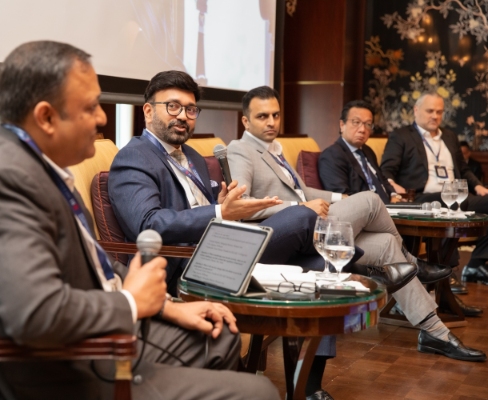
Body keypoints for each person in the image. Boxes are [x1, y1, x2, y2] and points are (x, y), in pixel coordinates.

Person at [0, 41, 281, 400]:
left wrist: (166, 306)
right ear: (46, 117)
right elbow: (35, 315)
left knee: (219, 333)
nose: (103, 118)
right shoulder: (2, 182)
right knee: (259, 392)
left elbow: (92, 263)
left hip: (94, 336)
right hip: (71, 368)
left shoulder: (33, 166)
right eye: (90, 107)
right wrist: (132, 303)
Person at [109, 71, 369, 400]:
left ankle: (309, 387)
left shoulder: (192, 157)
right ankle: (360, 263)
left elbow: (203, 209)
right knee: (303, 215)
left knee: (323, 267)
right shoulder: (134, 157)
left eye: (190, 109)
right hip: (191, 266)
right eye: (173, 106)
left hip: (222, 248)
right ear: (148, 111)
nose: (183, 116)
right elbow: (149, 223)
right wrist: (220, 212)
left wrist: (220, 205)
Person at [226, 86, 485, 364]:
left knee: (386, 243)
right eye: (263, 116)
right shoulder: (241, 149)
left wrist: (341, 197)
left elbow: (304, 191)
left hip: (309, 228)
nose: (271, 122)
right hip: (283, 236)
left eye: (275, 115)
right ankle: (413, 263)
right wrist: (298, 208)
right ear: (245, 121)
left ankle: (435, 332)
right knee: (371, 200)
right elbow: (241, 205)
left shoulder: (274, 150)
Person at [379, 92, 488, 285]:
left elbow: (463, 169)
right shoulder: (401, 136)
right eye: (430, 111)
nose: (435, 116)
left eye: (439, 112)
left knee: (462, 202)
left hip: (457, 194)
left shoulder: (449, 136)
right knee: (451, 204)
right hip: (422, 198)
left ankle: (475, 263)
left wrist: (479, 186)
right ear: (416, 110)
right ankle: (447, 270)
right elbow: (386, 170)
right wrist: (394, 186)